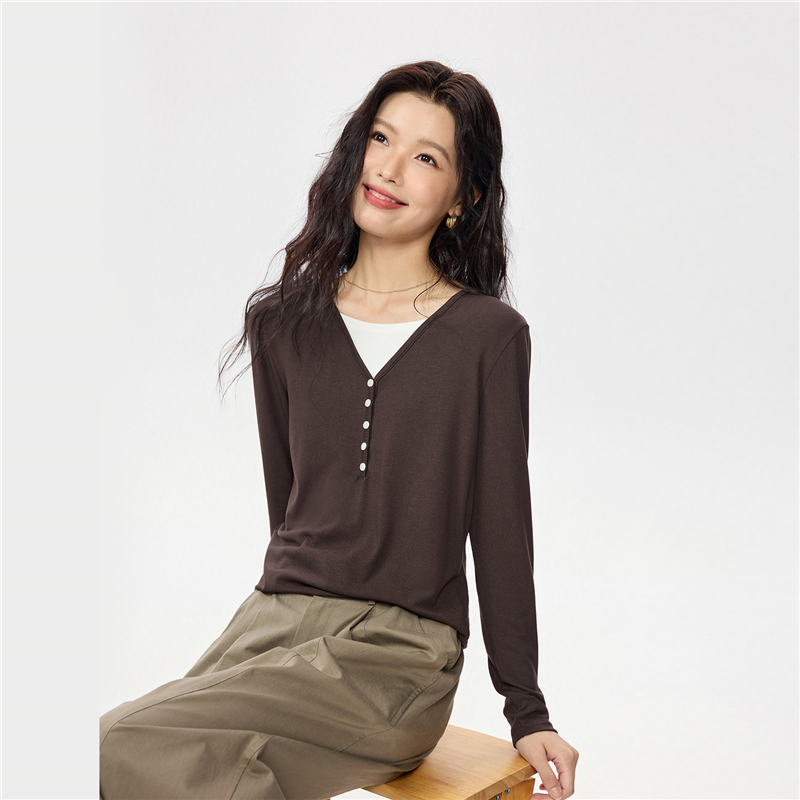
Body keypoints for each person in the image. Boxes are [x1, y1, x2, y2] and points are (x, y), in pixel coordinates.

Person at [99, 60, 579, 800]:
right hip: (271, 629)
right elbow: (289, 510)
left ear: (463, 197)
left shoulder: (488, 337)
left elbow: (501, 526)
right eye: (380, 139)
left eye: (427, 157)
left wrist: (527, 708)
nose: (390, 168)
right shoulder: (282, 323)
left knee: (119, 745)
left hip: (399, 658)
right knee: (129, 760)